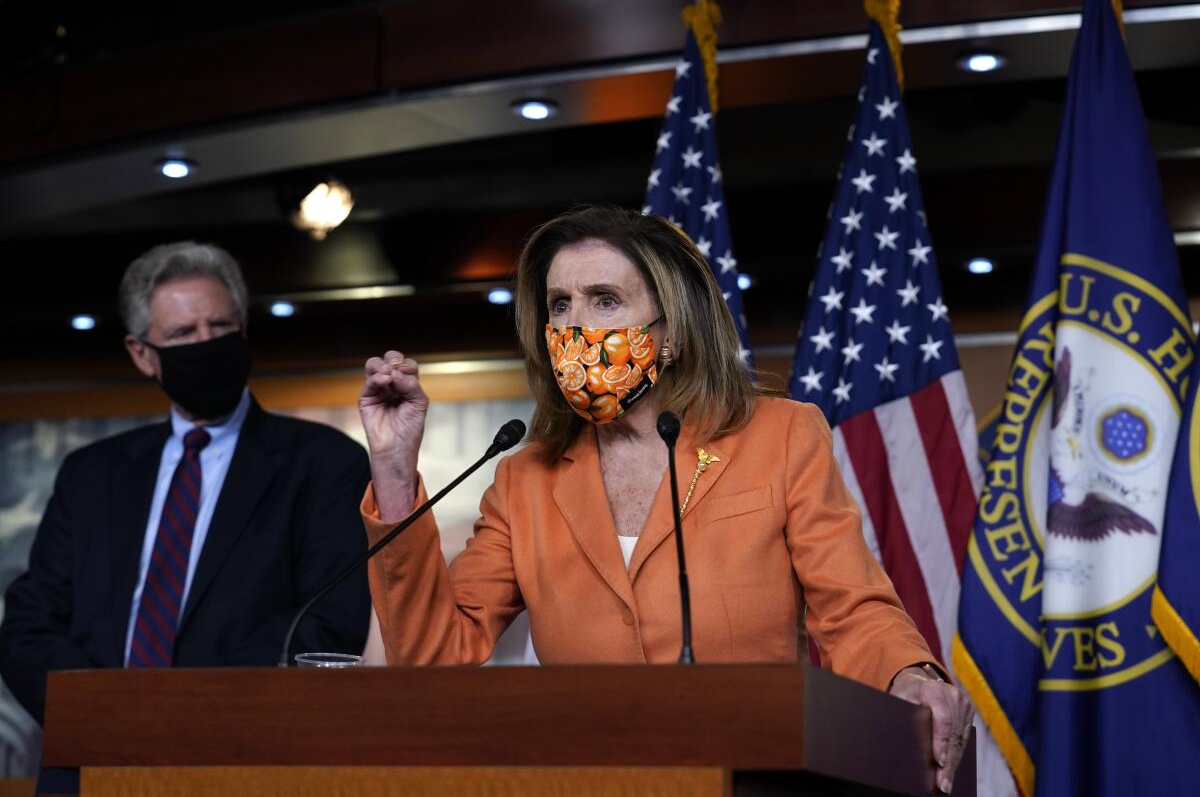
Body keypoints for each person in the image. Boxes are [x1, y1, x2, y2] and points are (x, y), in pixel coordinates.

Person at [358, 206, 974, 793]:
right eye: (559, 305)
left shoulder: (780, 436)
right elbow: (435, 652)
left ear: (672, 329)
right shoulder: (525, 480)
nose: (576, 325)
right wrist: (392, 467)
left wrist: (907, 674)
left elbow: (851, 606)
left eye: (604, 300)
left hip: (750, 771)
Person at [0, 242, 372, 727]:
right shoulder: (91, 474)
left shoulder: (324, 462)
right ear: (142, 355)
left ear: (243, 328)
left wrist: (183, 712)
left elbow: (328, 624)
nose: (206, 342)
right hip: (94, 754)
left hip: (239, 751)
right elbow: (29, 630)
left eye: (219, 326)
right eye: (182, 333)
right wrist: (111, 717)